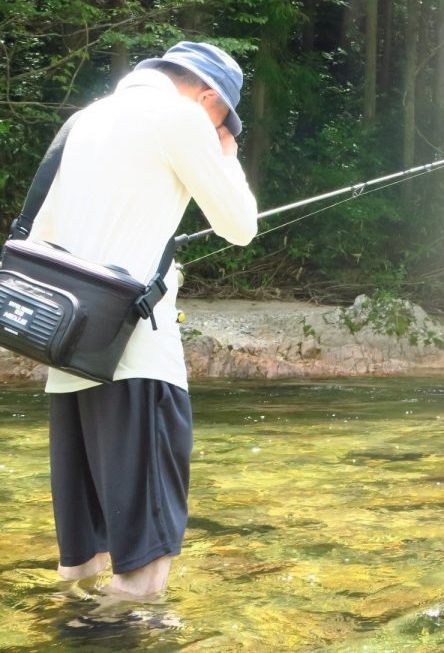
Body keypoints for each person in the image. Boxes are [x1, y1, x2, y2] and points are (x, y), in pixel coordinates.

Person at [28, 42, 258, 597]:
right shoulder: (182, 118)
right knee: (144, 563)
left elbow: (41, 237)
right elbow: (240, 225)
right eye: (224, 120)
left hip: (67, 350)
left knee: (83, 559)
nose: (221, 130)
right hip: (135, 356)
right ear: (209, 98)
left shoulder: (86, 120)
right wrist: (225, 156)